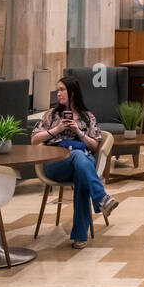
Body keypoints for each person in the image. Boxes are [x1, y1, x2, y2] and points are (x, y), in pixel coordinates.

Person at [30, 75, 118, 248]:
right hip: (56, 164)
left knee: (81, 170)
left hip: (81, 161)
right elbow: (34, 139)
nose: (58, 93)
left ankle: (79, 236)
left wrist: (78, 131)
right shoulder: (51, 115)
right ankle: (102, 198)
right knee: (79, 157)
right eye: (58, 90)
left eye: (62, 90)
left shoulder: (87, 117)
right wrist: (57, 129)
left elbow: (94, 146)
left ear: (72, 92)